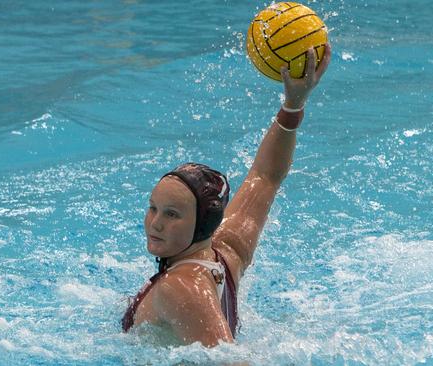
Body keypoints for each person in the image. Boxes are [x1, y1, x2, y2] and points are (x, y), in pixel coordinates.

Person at [122, 44, 332, 347]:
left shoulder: (182, 288)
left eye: (172, 214)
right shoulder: (225, 252)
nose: (155, 223)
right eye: (153, 208)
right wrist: (293, 105)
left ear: (202, 224)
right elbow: (266, 176)